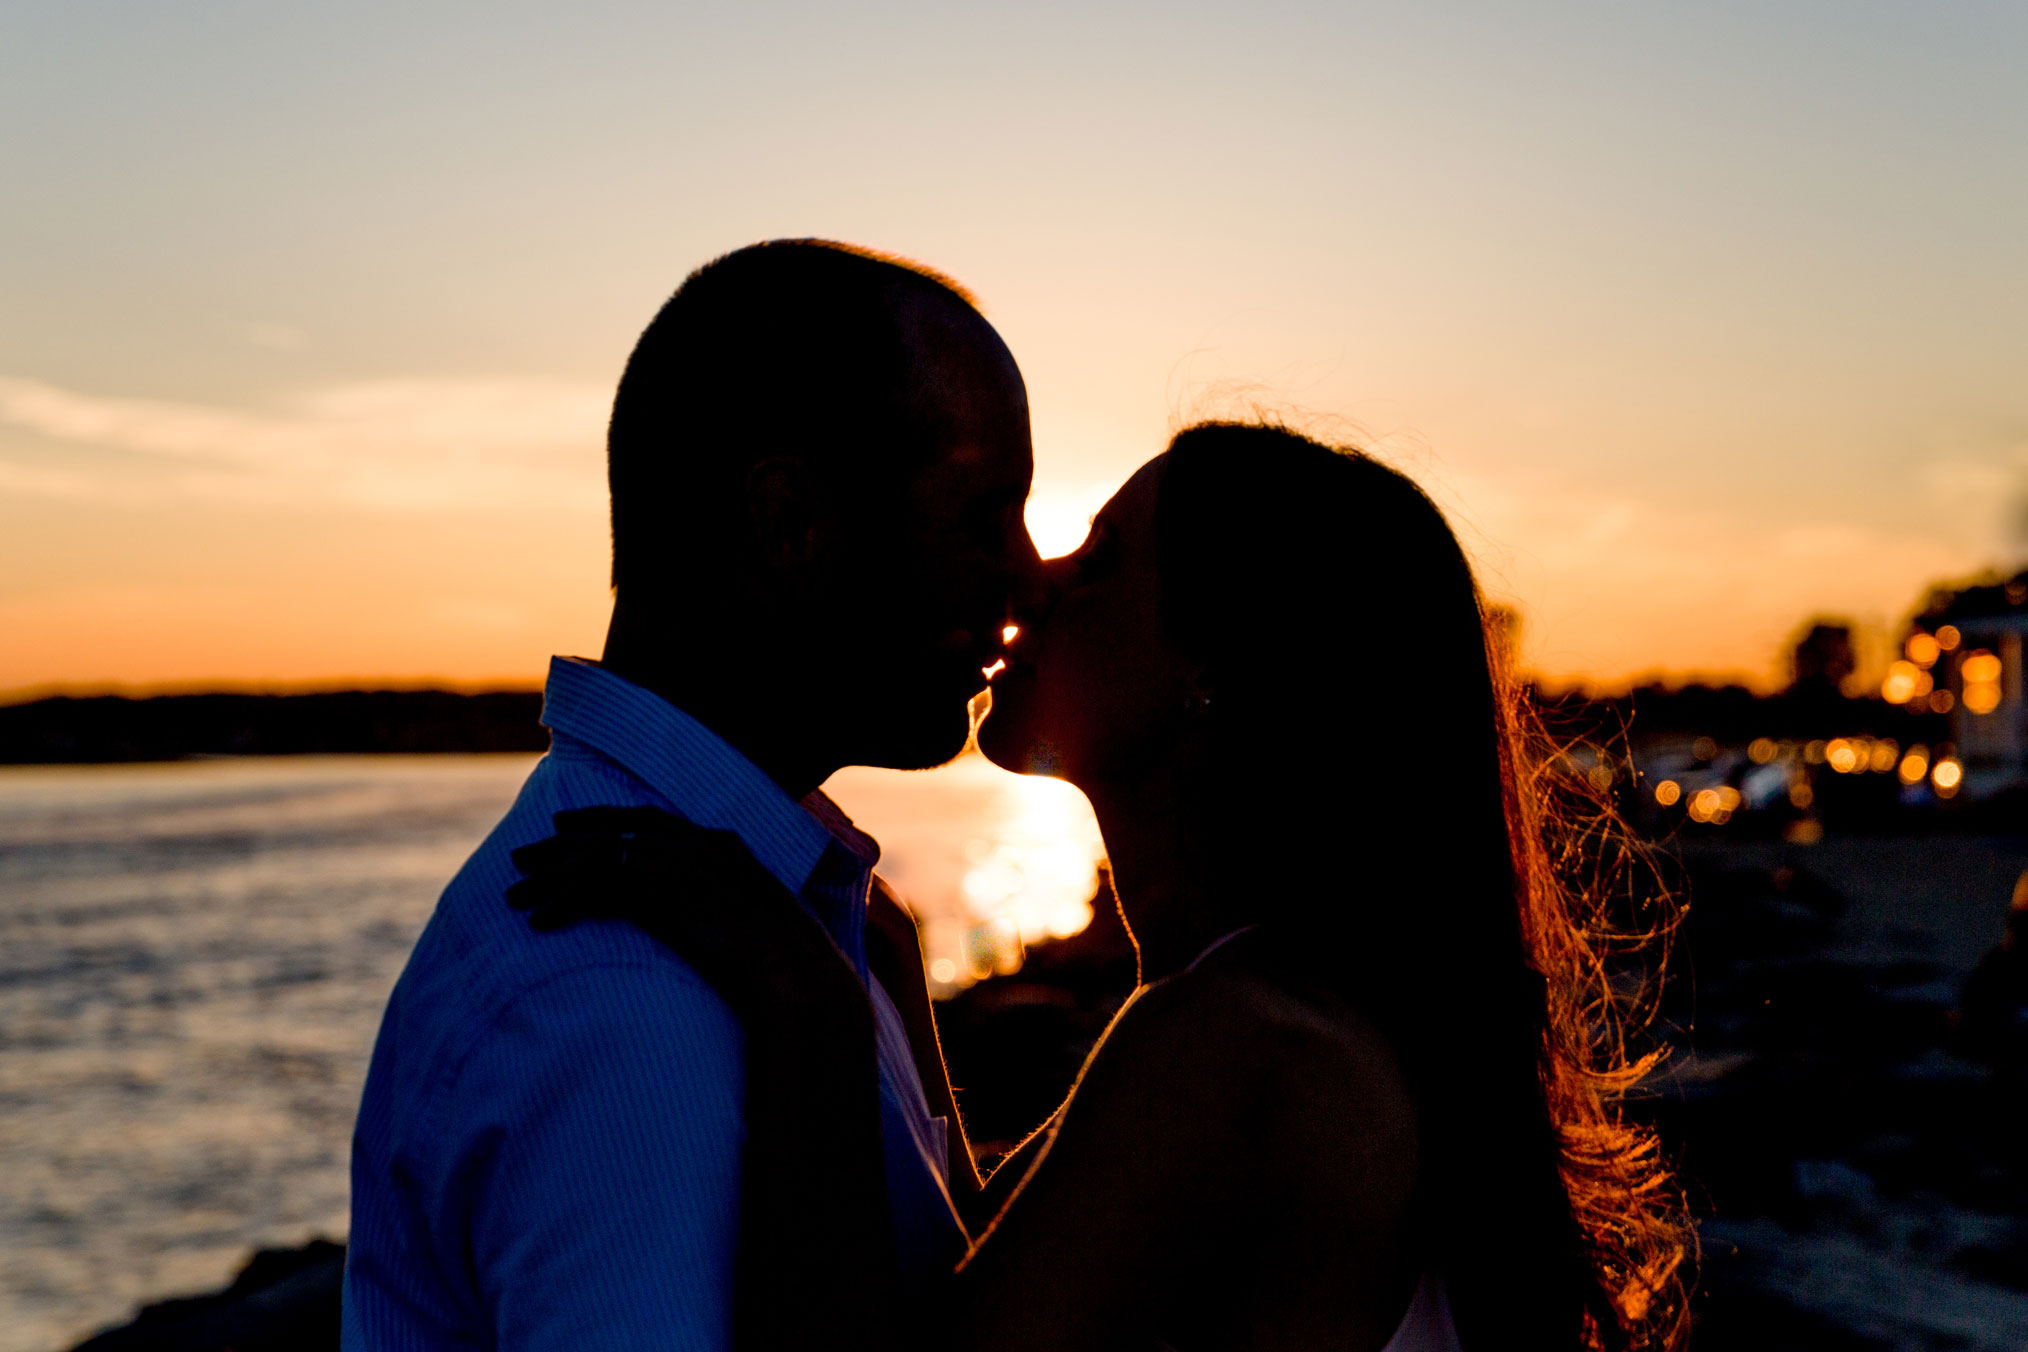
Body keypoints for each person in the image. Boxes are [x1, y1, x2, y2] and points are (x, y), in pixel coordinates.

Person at [513, 422, 1693, 1350]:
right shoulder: (1275, 1010)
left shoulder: (1238, 1040)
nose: (1033, 584)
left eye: (1102, 558)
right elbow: (1011, 1295)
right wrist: (903, 999)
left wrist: (804, 1011)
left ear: (1215, 674)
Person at [342, 239, 1038, 1351]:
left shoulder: (776, 925)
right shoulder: (623, 992)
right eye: (981, 515)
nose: (1027, 574)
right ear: (791, 524)